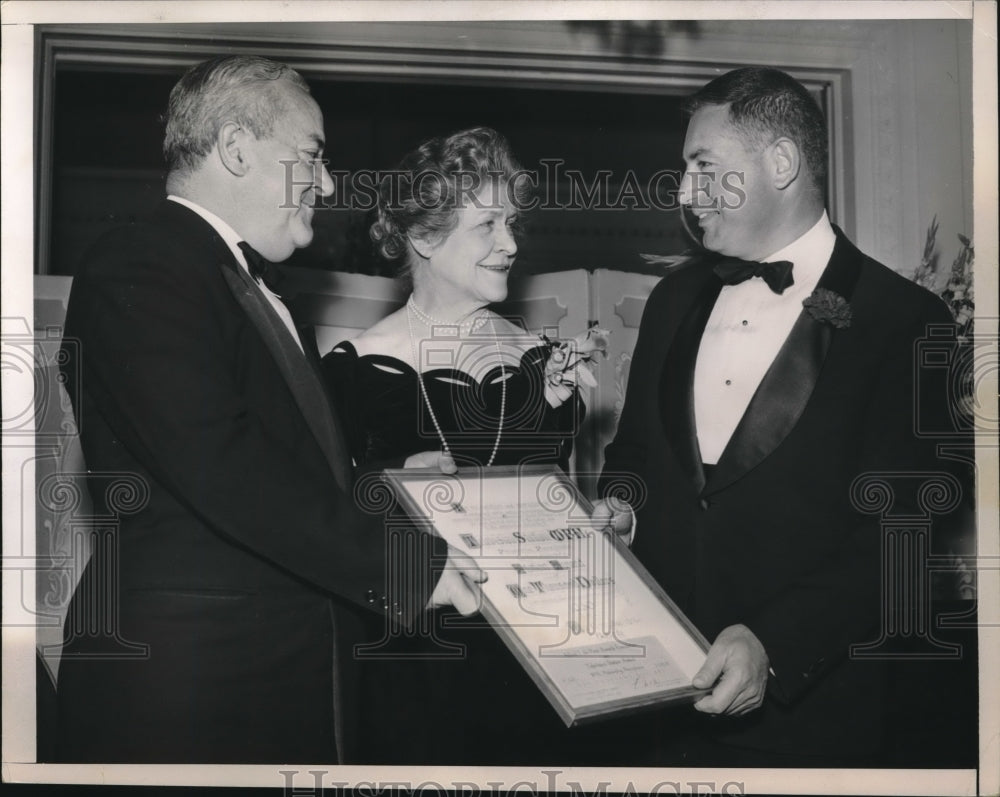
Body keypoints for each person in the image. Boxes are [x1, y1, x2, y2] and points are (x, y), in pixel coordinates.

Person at [54, 54, 481, 764]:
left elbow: (281, 469)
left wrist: (391, 477)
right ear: (236, 149)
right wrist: (411, 568)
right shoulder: (141, 262)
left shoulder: (252, 286)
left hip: (277, 679)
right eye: (311, 156)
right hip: (190, 689)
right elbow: (219, 463)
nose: (328, 182)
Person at [600, 67, 962, 767]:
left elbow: (902, 538)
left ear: (782, 163)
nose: (683, 193)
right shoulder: (671, 301)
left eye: (703, 168)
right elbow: (634, 456)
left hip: (813, 724)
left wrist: (774, 646)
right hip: (652, 715)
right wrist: (621, 506)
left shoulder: (908, 323)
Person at [323, 126, 623, 764]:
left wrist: (592, 528)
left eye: (512, 222)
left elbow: (554, 506)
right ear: (425, 237)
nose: (512, 244)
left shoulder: (544, 362)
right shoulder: (353, 368)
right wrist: (390, 482)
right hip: (415, 661)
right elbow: (323, 523)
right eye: (487, 224)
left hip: (543, 660)